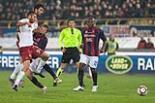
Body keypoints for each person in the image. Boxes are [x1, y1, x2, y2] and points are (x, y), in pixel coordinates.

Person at [11, 11, 49, 92]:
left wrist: (38, 29)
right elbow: (18, 24)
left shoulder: (34, 24)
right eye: (33, 16)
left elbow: (34, 29)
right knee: (27, 68)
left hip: (32, 47)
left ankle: (38, 69)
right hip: (24, 48)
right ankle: (16, 83)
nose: (35, 18)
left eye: (35, 17)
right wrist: (25, 23)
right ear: (29, 16)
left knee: (46, 55)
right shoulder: (24, 21)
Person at [73, 17, 106, 92]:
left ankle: (95, 85)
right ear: (87, 22)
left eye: (92, 21)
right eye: (89, 21)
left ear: (94, 22)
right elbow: (81, 40)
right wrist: (81, 45)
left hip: (94, 54)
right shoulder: (84, 31)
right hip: (85, 53)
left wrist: (103, 48)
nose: (90, 23)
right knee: (80, 67)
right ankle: (80, 86)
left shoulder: (98, 30)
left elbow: (105, 40)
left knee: (93, 69)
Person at [55, 19, 82, 84]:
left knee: (79, 65)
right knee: (62, 66)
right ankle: (55, 79)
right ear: (68, 24)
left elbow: (80, 40)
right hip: (67, 50)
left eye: (73, 23)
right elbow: (60, 40)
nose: (71, 24)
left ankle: (80, 82)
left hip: (75, 50)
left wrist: (80, 48)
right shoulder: (64, 31)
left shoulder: (78, 31)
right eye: (70, 23)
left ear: (75, 24)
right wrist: (62, 48)